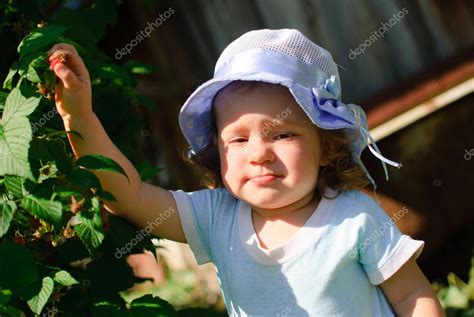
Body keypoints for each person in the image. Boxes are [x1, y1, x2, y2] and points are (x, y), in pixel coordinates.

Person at [48, 28, 444, 316]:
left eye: (283, 133)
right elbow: (127, 195)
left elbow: (413, 298)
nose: (259, 154)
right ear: (216, 153)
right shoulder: (218, 218)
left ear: (326, 145)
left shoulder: (354, 218)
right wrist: (78, 116)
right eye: (237, 140)